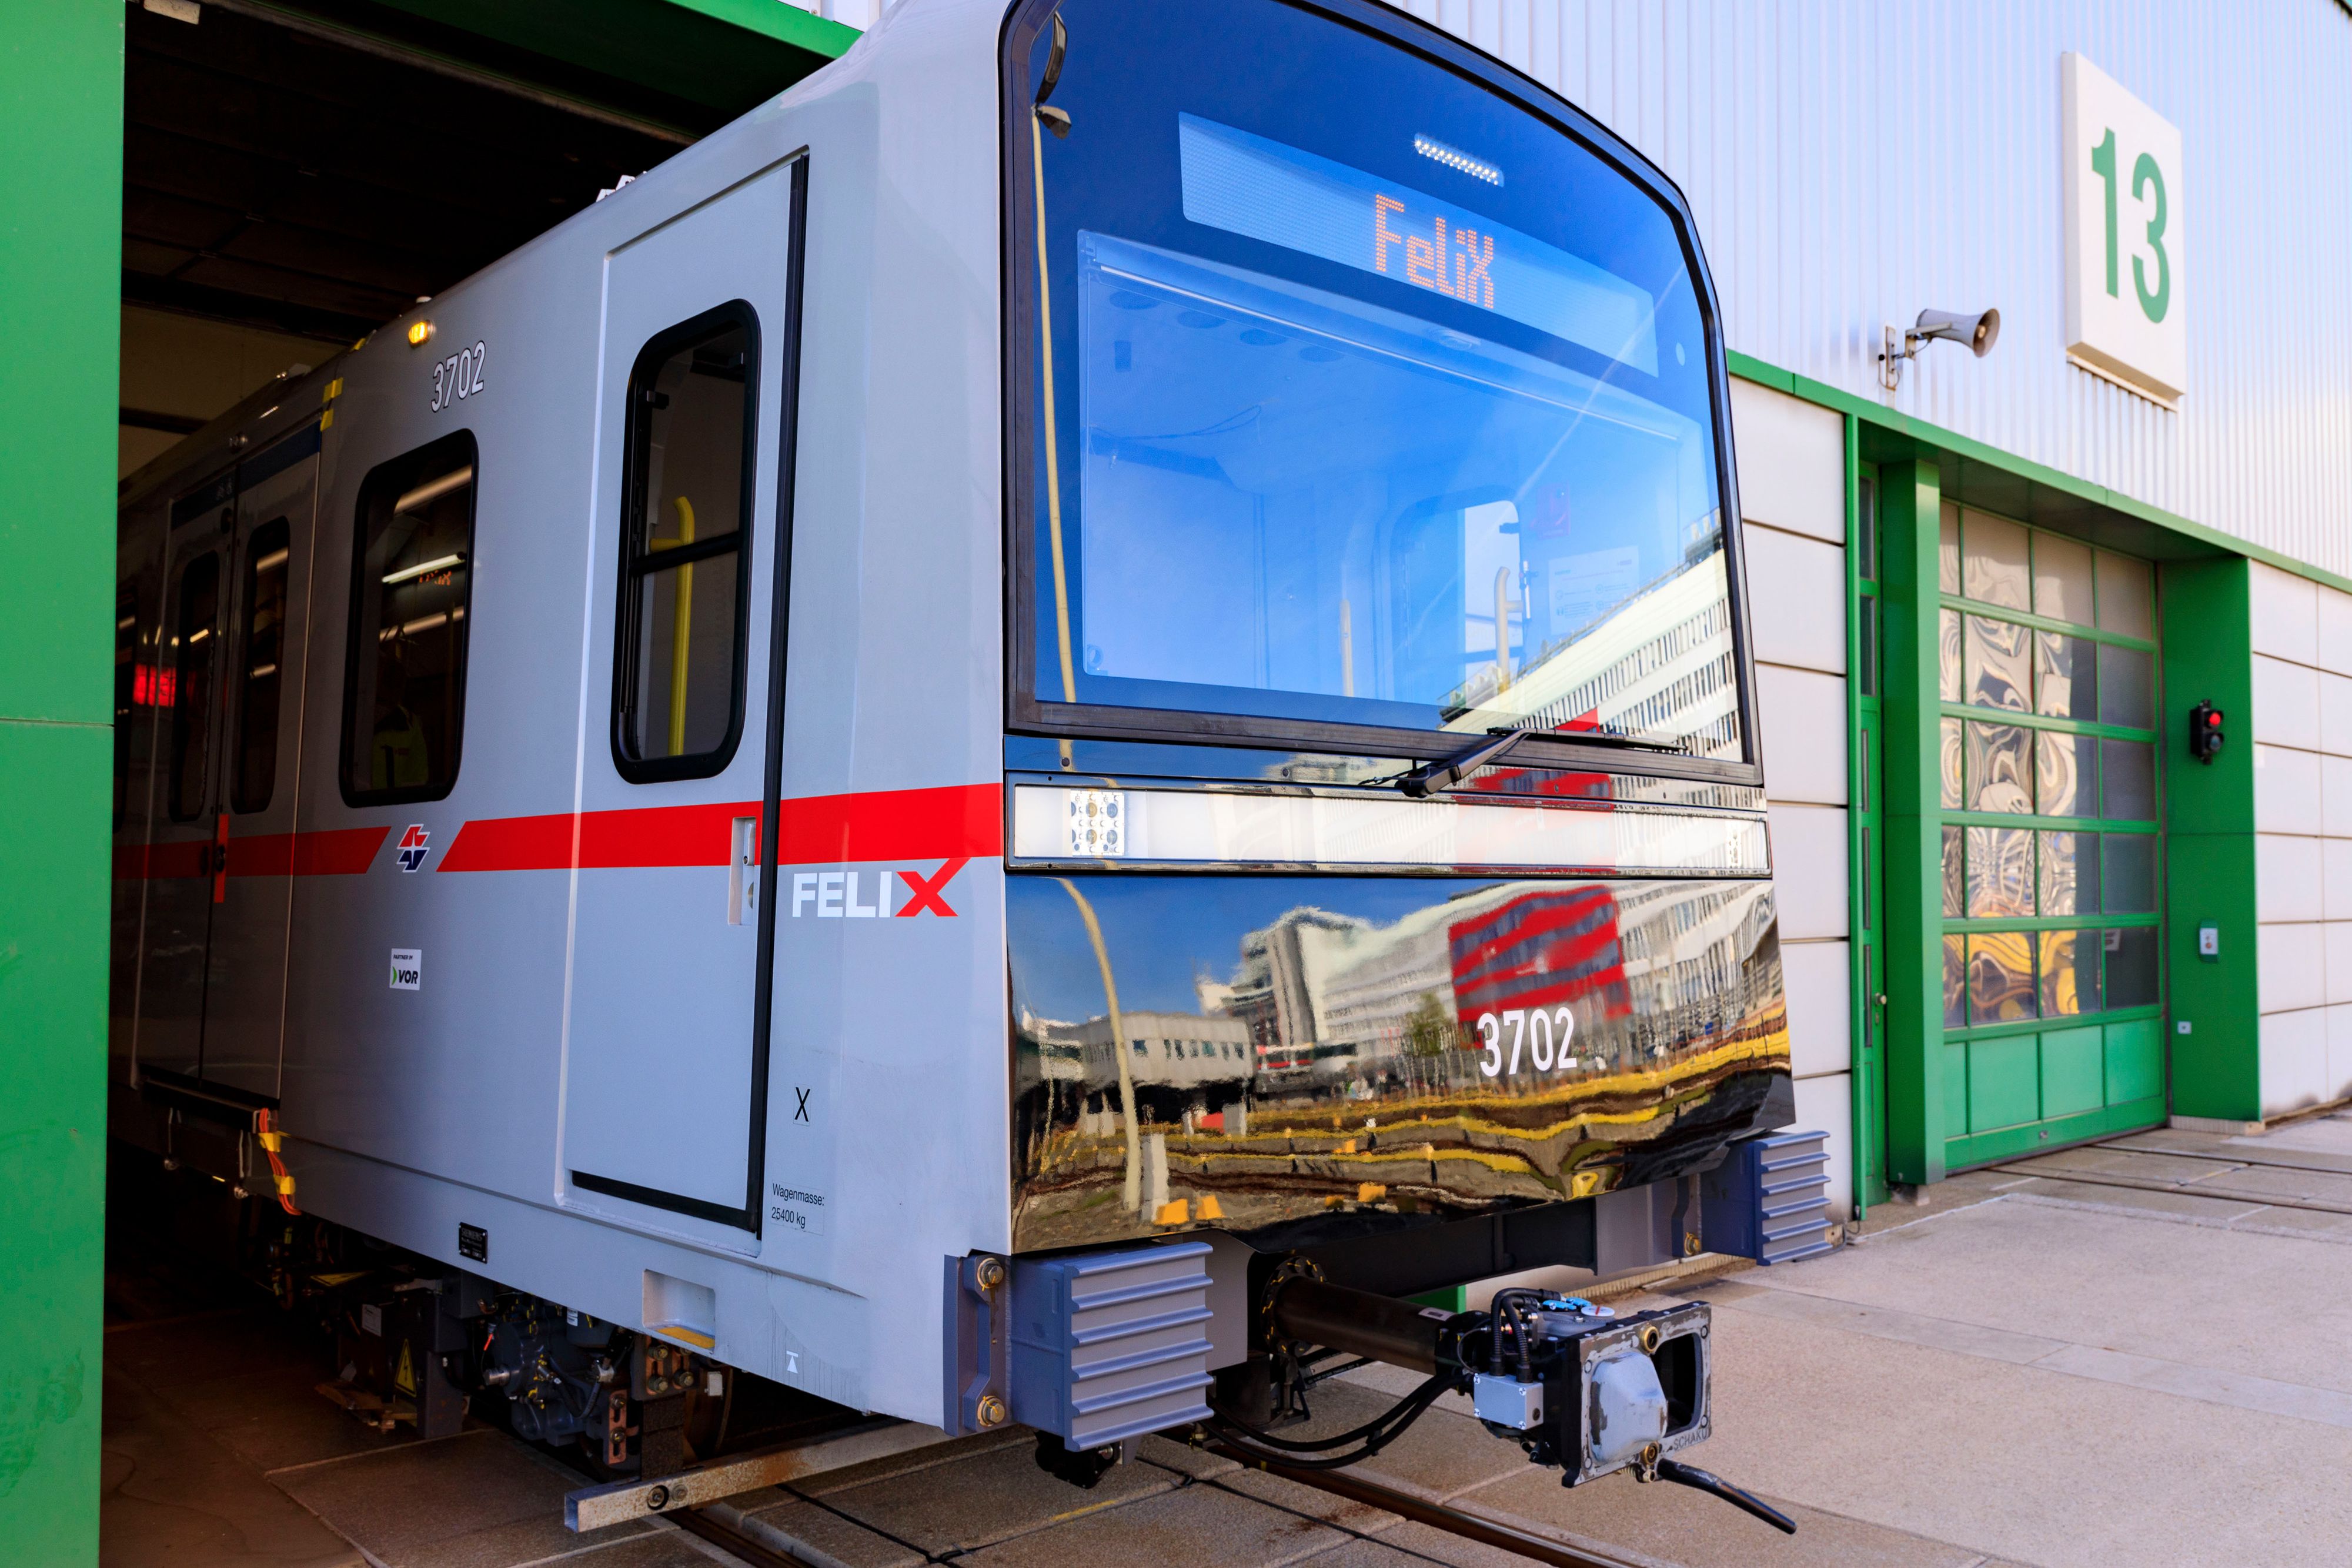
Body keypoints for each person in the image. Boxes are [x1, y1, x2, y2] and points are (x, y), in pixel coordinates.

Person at [371, 652, 430, 790]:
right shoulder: (351, 718)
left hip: (391, 809)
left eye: (398, 683)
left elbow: (417, 778)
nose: (395, 689)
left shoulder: (409, 723)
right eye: (387, 680)